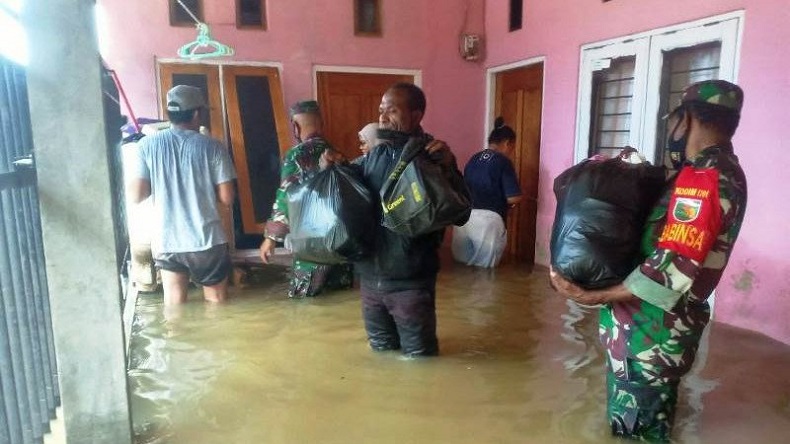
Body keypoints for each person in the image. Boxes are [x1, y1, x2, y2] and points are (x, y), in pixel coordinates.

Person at [550, 80, 748, 442]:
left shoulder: (705, 178)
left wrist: (593, 296)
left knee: (637, 434)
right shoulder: (716, 171)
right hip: (655, 332)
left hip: (648, 335)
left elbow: (670, 268)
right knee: (642, 426)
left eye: (673, 120)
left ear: (686, 120)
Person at [324, 83, 469, 357]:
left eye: (392, 110)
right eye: (381, 111)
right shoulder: (373, 156)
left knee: (420, 361)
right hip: (369, 281)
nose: (382, 118)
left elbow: (460, 212)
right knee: (380, 355)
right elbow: (347, 194)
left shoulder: (432, 157)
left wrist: (447, 166)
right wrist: (330, 164)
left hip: (410, 284)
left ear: (416, 115)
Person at [129, 85, 237, 306]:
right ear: (197, 113)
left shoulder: (146, 146)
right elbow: (227, 198)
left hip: (167, 241)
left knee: (175, 306)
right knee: (217, 304)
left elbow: (136, 195)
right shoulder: (213, 147)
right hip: (206, 240)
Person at [259, 100, 354, 298]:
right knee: (340, 306)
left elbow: (286, 196)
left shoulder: (296, 155)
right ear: (322, 124)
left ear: (295, 127)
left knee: (306, 306)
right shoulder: (339, 155)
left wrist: (271, 238)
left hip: (310, 250)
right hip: (342, 247)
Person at [452, 117, 522, 267]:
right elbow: (513, 198)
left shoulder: (473, 159)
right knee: (486, 275)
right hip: (488, 221)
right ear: (507, 143)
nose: (512, 151)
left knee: (462, 271)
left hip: (463, 218)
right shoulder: (503, 161)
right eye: (512, 147)